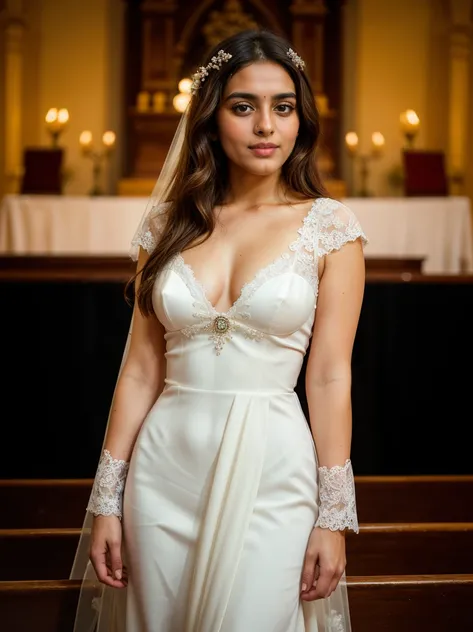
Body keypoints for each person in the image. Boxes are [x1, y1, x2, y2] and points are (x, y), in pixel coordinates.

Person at [71, 28, 367, 632]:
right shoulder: (166, 228)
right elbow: (139, 369)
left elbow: (331, 376)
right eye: (243, 107)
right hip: (163, 472)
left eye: (282, 107)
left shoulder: (331, 229)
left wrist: (332, 516)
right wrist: (107, 498)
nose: (266, 126)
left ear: (300, 119)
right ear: (211, 119)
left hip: (273, 470)